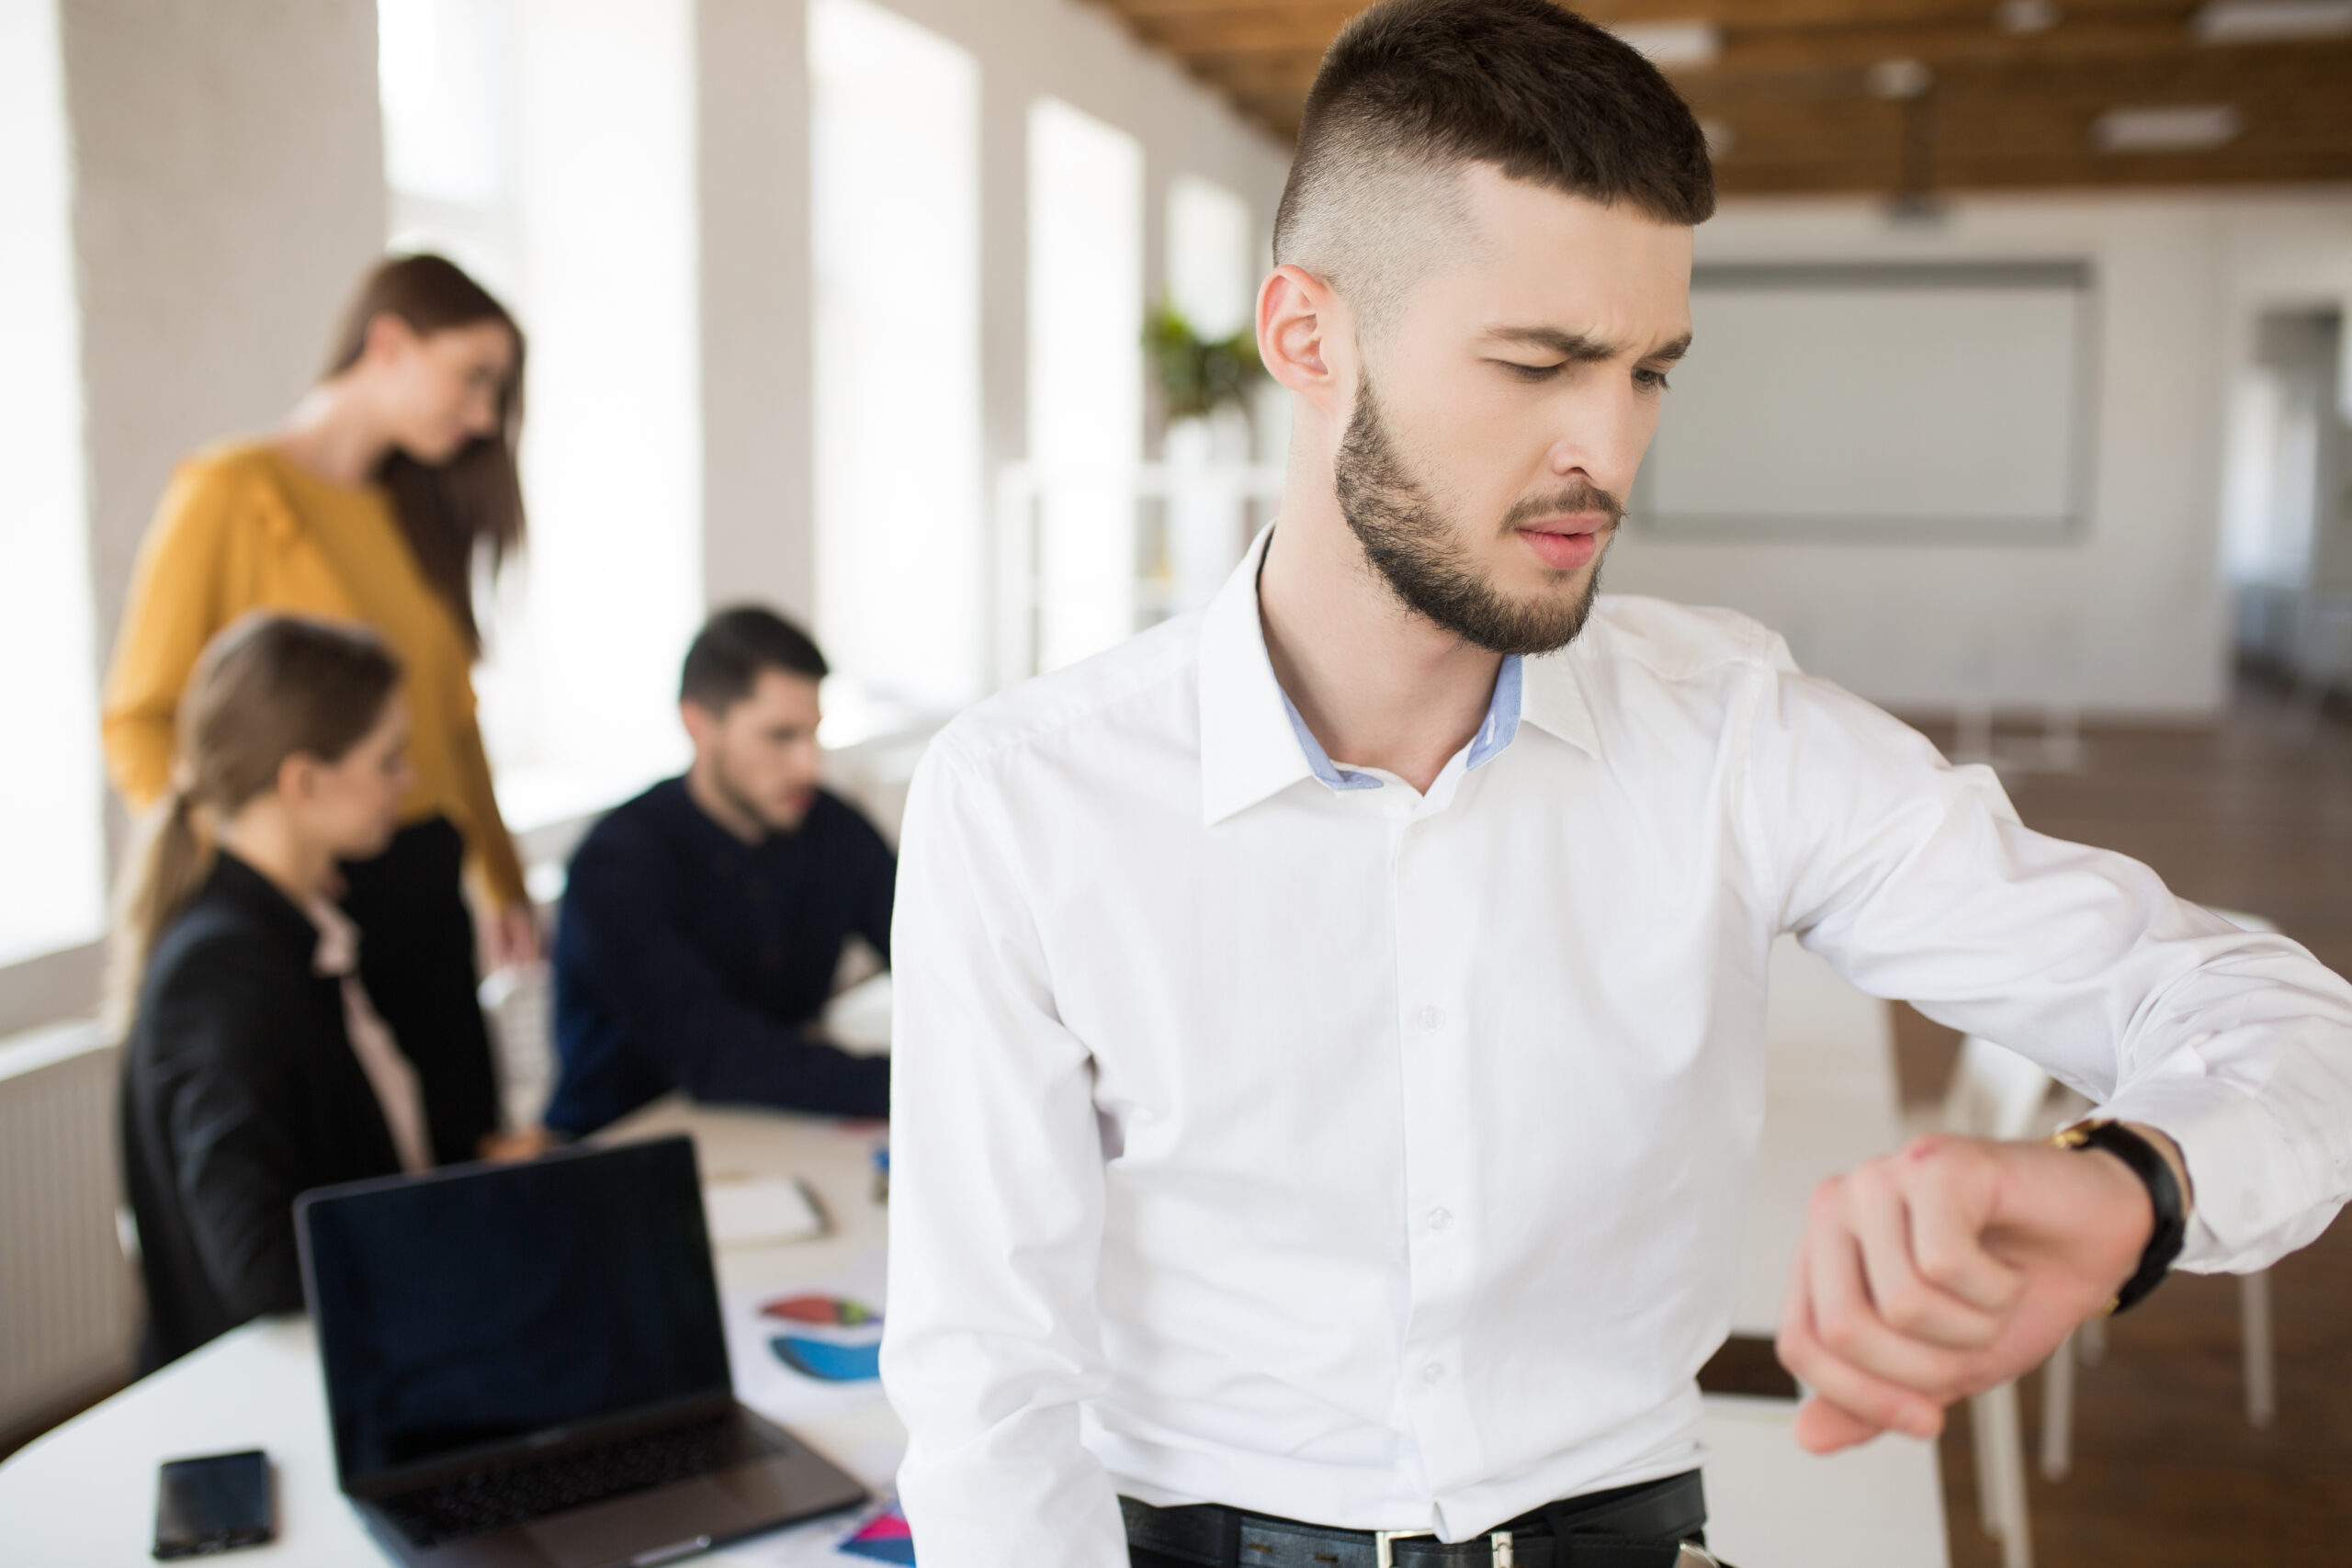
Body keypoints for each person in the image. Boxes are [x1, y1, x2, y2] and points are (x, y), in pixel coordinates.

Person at [878, 4, 2352, 1563]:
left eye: (1652, 371)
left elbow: (2288, 1025)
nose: (1611, 447)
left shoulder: (1736, 739)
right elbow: (987, 1390)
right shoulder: (1027, 799)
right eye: (1539, 362)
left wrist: (2134, 1183)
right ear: (1309, 336)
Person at [102, 254, 538, 1167]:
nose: (485, 415)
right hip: (307, 889)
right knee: (334, 1178)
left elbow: (452, 723)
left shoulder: (418, 507)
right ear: (387, 344)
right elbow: (139, 718)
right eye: (472, 377)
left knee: (464, 1153)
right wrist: (242, 865)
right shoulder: (229, 492)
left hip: (422, 873)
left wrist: (500, 873)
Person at [115, 615, 421, 1371]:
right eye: (388, 760)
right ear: (304, 781)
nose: (405, 781)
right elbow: (262, 1264)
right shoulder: (222, 970)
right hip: (275, 1388)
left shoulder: (291, 927)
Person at [544, 607, 895, 1135]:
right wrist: (916, 1082)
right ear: (698, 725)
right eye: (780, 736)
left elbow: (933, 952)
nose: (809, 764)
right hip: (622, 1147)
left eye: (814, 734)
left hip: (773, 1131)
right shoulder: (617, 864)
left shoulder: (832, 827)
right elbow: (716, 1055)